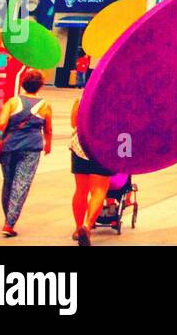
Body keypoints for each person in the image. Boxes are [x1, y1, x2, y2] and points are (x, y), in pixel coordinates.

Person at [0, 70, 52, 238]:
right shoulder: (44, 105)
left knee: (9, 182)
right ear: (40, 85)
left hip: (9, 147)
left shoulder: (13, 102)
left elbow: (1, 122)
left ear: (23, 83)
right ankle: (9, 223)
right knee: (22, 184)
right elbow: (48, 128)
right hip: (32, 148)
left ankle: (8, 218)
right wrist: (48, 144)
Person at [68, 94, 114, 247]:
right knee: (99, 190)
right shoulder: (116, 97)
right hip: (104, 146)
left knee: (81, 190)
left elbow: (74, 123)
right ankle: (87, 226)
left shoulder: (82, 98)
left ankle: (77, 228)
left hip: (80, 145)